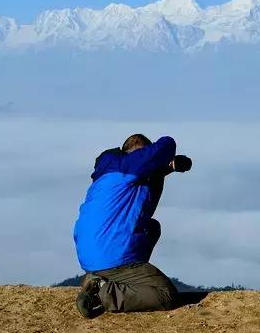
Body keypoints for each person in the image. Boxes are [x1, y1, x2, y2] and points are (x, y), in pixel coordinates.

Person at [72, 133, 192, 318]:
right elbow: (167, 144)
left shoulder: (111, 172)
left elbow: (145, 175)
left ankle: (112, 280)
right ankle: (103, 292)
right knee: (166, 294)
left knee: (151, 227)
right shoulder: (128, 165)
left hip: (90, 254)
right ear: (140, 154)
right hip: (109, 256)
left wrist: (170, 167)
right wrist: (164, 156)